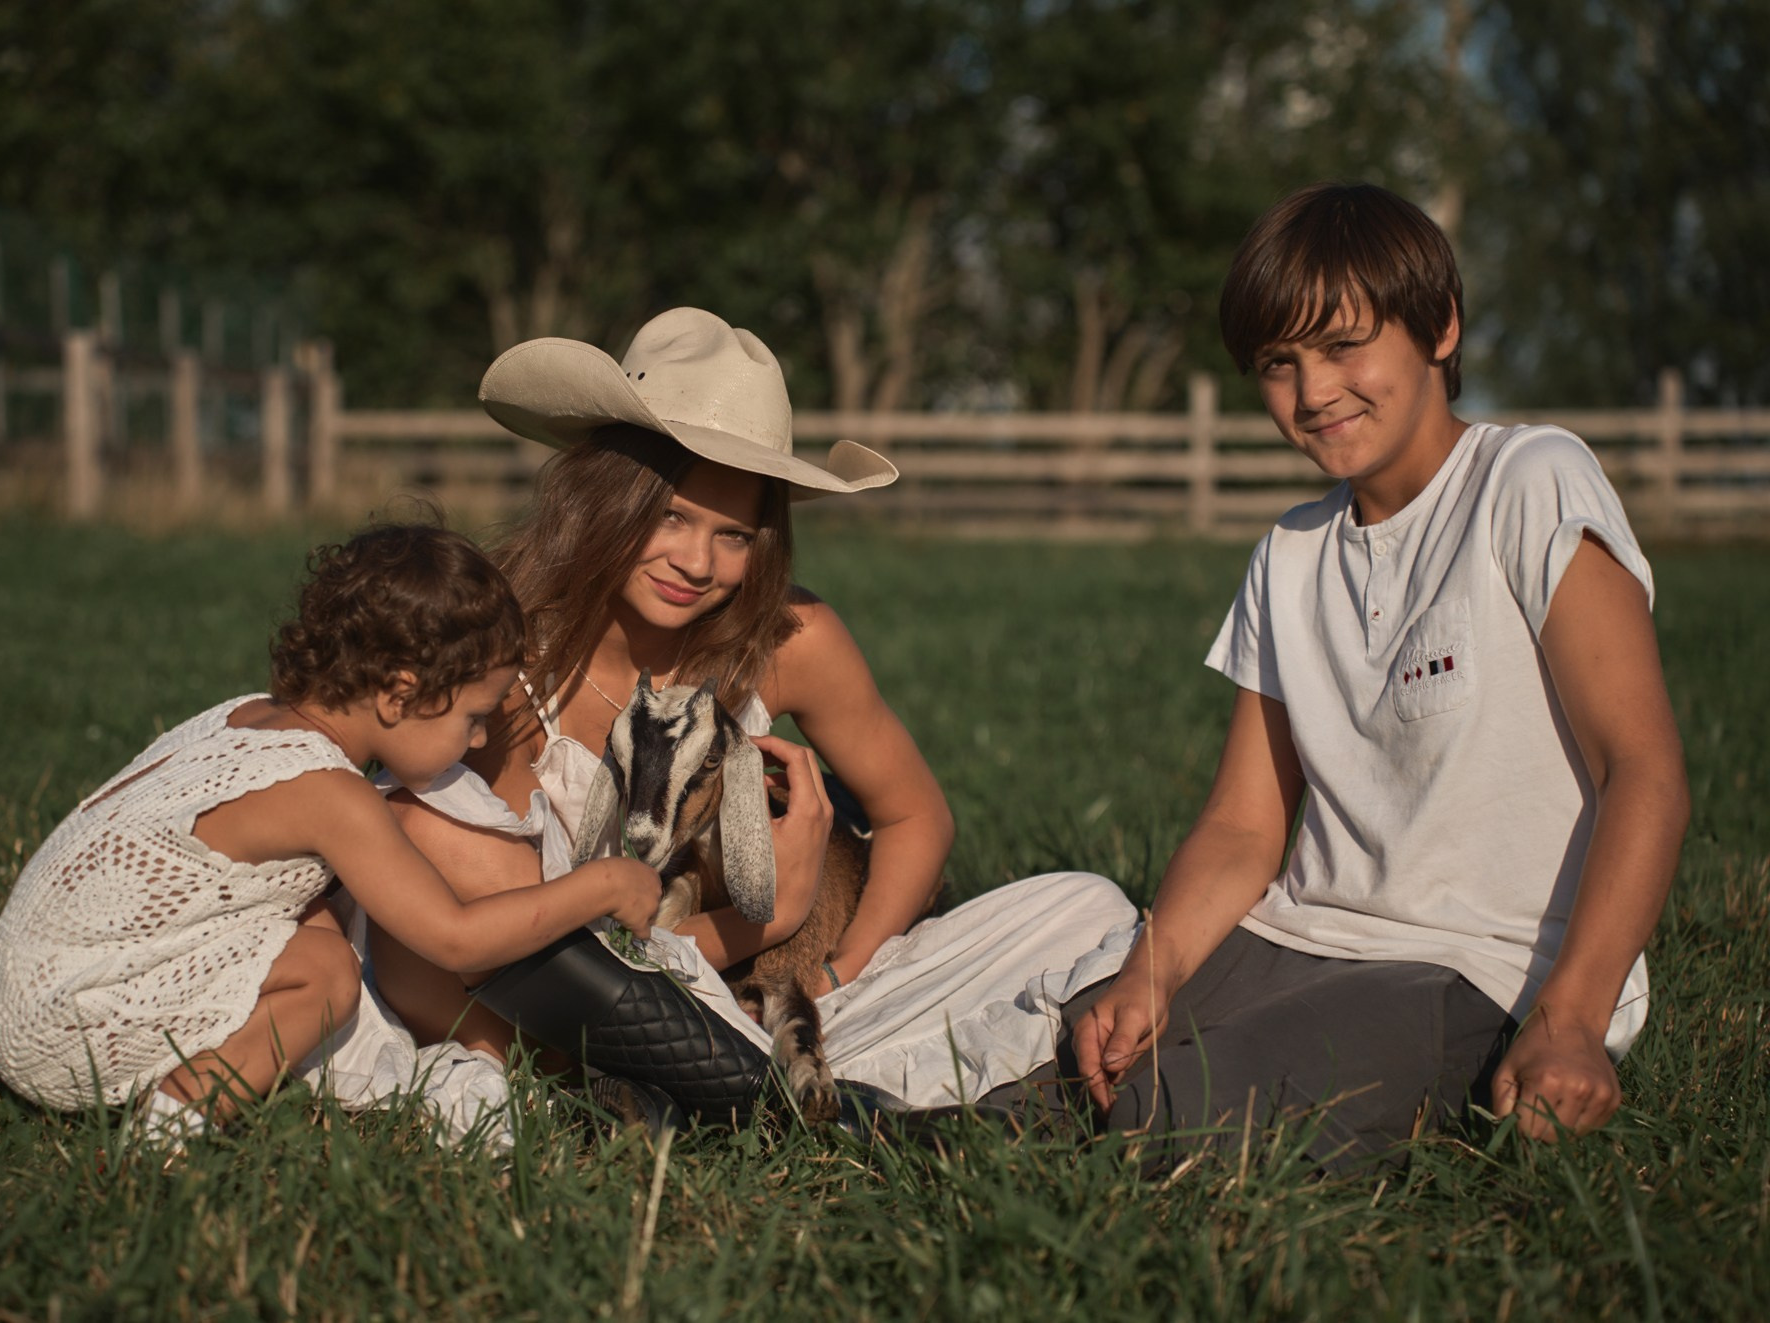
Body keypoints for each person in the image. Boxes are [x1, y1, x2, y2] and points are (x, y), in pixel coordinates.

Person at [365, 307, 1139, 1120]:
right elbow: (529, 931)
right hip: (543, 990)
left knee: (1088, 907)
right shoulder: (506, 646)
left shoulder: (790, 641)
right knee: (433, 837)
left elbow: (917, 817)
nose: (697, 563)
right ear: (604, 497)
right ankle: (717, 1081)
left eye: (734, 535)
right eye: (669, 517)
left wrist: (832, 971)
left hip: (757, 989)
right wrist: (774, 912)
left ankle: (773, 1063)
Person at [1063, 182, 1690, 1168]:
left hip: (1469, 967)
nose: (1313, 394)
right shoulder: (1289, 554)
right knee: (1071, 1062)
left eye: (1343, 345)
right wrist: (1152, 968)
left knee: (1173, 1117)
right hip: (1297, 938)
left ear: (1438, 327)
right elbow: (1241, 824)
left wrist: (1573, 1015)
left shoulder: (1526, 481)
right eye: (1279, 363)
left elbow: (1641, 768)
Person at [0, 523, 660, 1144]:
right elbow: (454, 934)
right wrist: (599, 884)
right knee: (325, 979)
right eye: (473, 717)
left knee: (319, 934)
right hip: (63, 1032)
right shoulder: (331, 794)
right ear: (400, 694)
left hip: (29, 977)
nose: (479, 738)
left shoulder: (247, 716)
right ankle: (170, 1125)